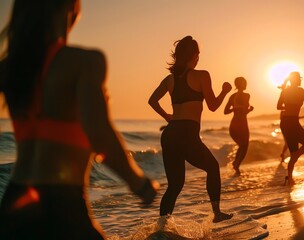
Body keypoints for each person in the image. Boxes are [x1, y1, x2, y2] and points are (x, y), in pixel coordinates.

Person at [0, 0, 157, 239]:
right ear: (71, 7)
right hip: (61, 205)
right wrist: (137, 183)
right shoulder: (84, 62)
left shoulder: (10, 68)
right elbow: (98, 134)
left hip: (14, 202)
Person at [148, 35, 233, 223]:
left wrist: (168, 117)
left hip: (170, 134)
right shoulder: (202, 75)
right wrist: (225, 92)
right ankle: (217, 213)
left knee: (175, 185)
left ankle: (162, 228)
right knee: (212, 167)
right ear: (194, 55)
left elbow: (152, 101)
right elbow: (212, 106)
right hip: (187, 133)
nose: (198, 58)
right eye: (198, 54)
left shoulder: (169, 79)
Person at [276, 72, 304, 186]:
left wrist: (288, 106)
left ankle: (290, 178)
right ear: (296, 80)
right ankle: (291, 173)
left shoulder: (285, 91)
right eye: (299, 79)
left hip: (286, 122)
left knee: (294, 152)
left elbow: (278, 106)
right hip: (292, 122)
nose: (301, 80)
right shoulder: (300, 91)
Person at [224, 77, 254, 176]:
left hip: (234, 125)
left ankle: (236, 165)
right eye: (244, 83)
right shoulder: (246, 96)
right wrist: (250, 110)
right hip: (241, 124)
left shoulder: (233, 96)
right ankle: (236, 164)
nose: (246, 84)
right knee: (244, 146)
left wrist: (234, 108)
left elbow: (226, 111)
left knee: (242, 146)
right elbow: (244, 112)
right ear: (241, 84)